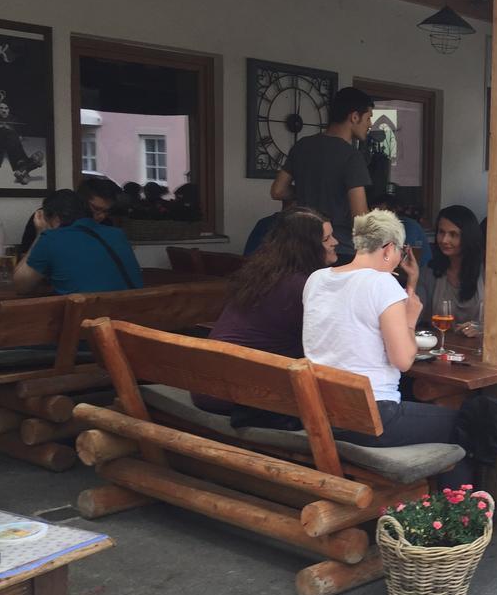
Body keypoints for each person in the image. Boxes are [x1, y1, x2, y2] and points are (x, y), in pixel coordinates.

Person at [300, 209, 470, 483]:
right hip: (372, 418)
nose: (399, 260)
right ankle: (457, 513)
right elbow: (403, 360)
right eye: (401, 252)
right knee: (464, 422)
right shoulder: (382, 284)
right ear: (389, 248)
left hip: (322, 411)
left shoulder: (317, 279)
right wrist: (410, 321)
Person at [194, 208, 337, 413]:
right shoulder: (303, 287)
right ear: (306, 247)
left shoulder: (263, 274)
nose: (336, 242)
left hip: (209, 384)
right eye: (326, 238)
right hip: (237, 393)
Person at [269, 87, 374, 264]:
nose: (370, 124)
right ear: (354, 117)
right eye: (368, 117)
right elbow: (360, 217)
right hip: (340, 249)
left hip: (303, 247)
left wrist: (305, 190)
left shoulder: (302, 146)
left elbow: (278, 191)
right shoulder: (351, 156)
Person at [13, 189, 142, 295]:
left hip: (90, 321)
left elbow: (21, 286)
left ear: (55, 218)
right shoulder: (117, 234)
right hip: (133, 318)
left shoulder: (51, 238)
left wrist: (40, 234)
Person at [417, 205, 485, 337]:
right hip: (440, 348)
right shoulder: (430, 271)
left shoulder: (487, 271)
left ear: (468, 237)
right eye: (441, 232)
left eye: (453, 234)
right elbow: (415, 317)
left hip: (480, 350)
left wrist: (482, 329)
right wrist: (413, 277)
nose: (444, 240)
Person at [18, 175, 120, 256]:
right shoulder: (48, 216)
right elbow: (24, 256)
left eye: (106, 211)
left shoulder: (106, 225)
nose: (101, 216)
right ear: (81, 201)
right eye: (96, 209)